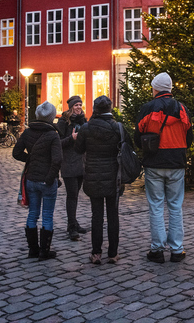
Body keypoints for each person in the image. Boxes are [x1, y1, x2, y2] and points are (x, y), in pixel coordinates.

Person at [134, 72, 193, 264]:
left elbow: (137, 137)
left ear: (155, 88)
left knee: (156, 206)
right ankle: (177, 249)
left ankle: (157, 249)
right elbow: (189, 136)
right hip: (176, 162)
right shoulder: (182, 108)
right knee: (176, 206)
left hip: (154, 163)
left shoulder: (147, 108)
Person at [74, 95, 130, 264]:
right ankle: (113, 253)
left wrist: (77, 138)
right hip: (113, 177)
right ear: (110, 109)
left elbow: (78, 150)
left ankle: (96, 253)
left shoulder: (86, 128)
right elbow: (128, 148)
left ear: (95, 108)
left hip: (93, 175)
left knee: (96, 216)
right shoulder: (118, 127)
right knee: (113, 215)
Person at [12, 101, 62, 260]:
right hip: (46, 181)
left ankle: (33, 249)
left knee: (33, 214)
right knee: (47, 215)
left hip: (31, 179)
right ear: (51, 117)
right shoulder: (53, 135)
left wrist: (30, 159)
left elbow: (16, 152)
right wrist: (50, 178)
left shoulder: (27, 132)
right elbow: (57, 160)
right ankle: (44, 252)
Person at [56, 95, 88, 241]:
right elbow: (58, 144)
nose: (79, 107)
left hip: (81, 163)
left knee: (76, 195)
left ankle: (74, 223)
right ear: (71, 107)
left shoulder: (83, 120)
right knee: (72, 195)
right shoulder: (63, 122)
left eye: (80, 104)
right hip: (68, 163)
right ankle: (71, 227)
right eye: (76, 105)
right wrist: (71, 138)